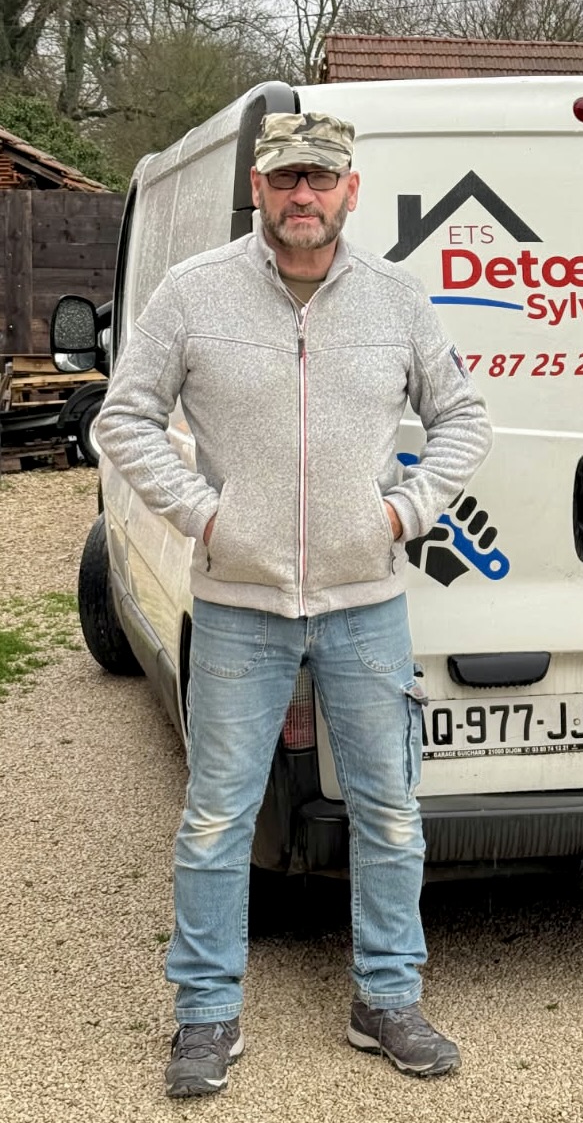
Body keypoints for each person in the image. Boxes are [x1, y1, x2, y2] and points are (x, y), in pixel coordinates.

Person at [96, 111, 493, 1097]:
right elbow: (123, 417)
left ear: (351, 188)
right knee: (215, 819)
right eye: (285, 179)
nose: (302, 195)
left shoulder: (397, 299)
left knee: (391, 813)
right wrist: (206, 515)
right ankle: (205, 1015)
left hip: (366, 603)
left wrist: (402, 513)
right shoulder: (194, 293)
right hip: (239, 605)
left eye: (320, 178)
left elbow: (462, 417)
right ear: (260, 190)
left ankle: (386, 999)